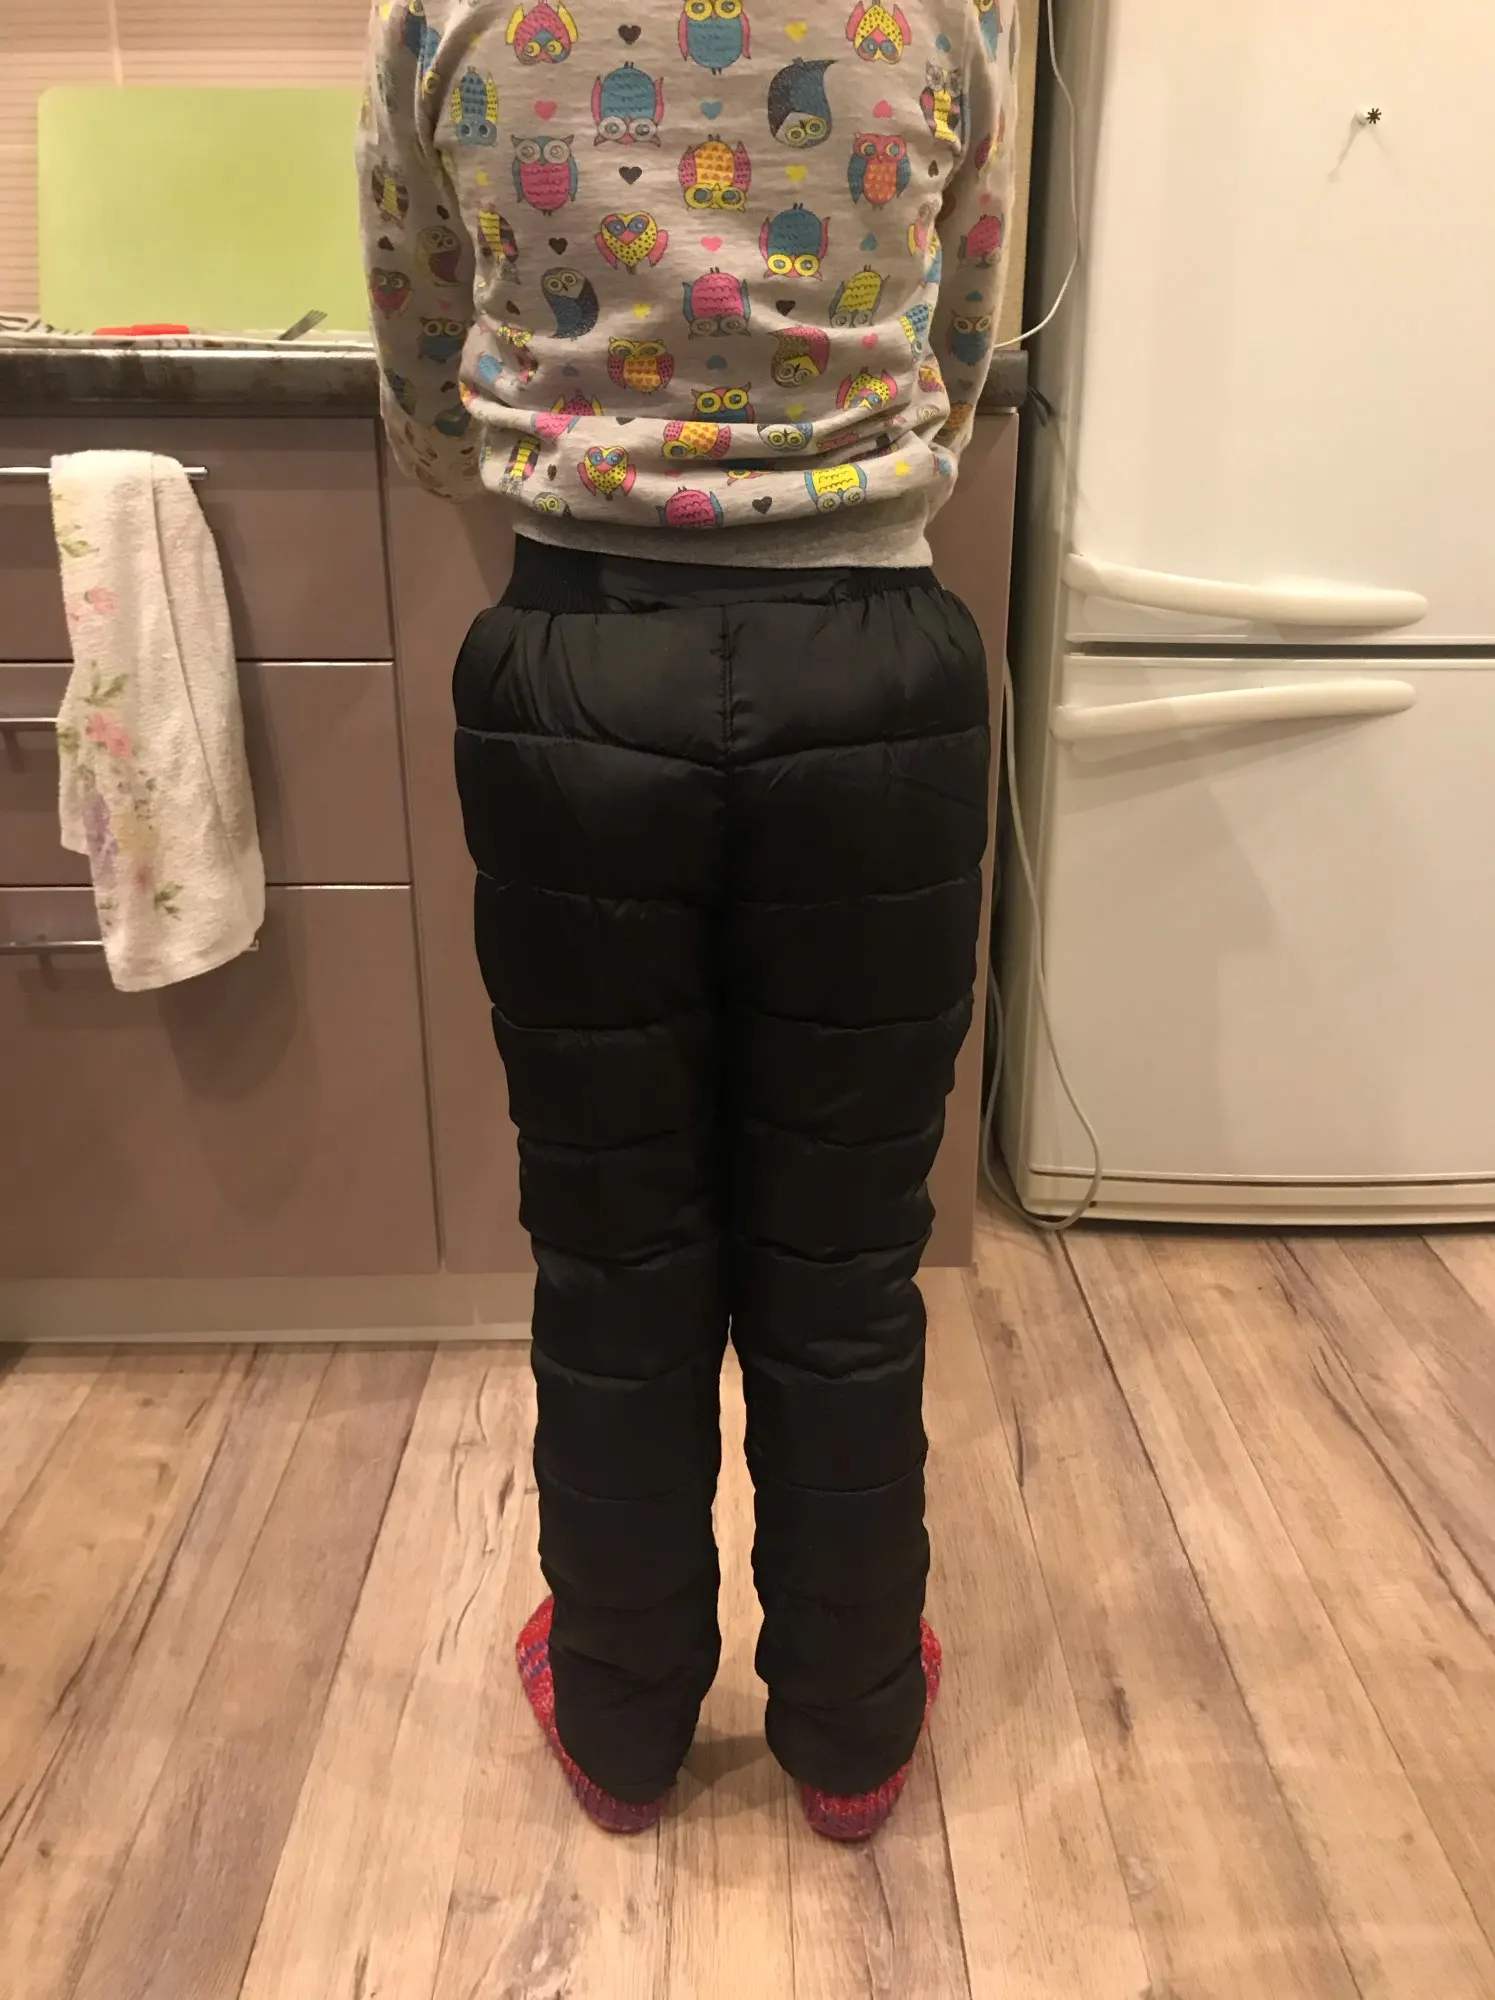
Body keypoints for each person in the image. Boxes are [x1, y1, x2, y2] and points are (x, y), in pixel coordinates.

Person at [359, 0, 1017, 1840]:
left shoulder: (445, 12)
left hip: (579, 666)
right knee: (847, 1257)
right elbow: (964, 323)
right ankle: (854, 1738)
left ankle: (623, 1725)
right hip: (874, 669)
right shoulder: (951, 11)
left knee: (614, 1252)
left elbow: (416, 324)